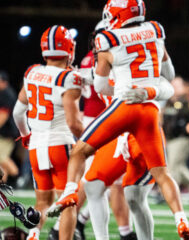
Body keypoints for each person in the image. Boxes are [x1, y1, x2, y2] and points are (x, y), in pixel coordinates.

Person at [46, 0, 189, 239]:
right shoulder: (151, 36)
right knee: (94, 185)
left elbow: (164, 88)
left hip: (133, 124)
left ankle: (77, 199)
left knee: (133, 195)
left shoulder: (112, 47)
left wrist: (144, 92)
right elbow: (167, 80)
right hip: (122, 132)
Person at [12, 25, 84, 240]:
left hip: (36, 146)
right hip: (60, 144)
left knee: (42, 202)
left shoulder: (32, 72)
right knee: (69, 203)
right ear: (68, 49)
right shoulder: (69, 78)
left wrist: (26, 134)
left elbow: (18, 112)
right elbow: (73, 123)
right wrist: (92, 140)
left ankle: (33, 235)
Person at [0, 71, 19, 183]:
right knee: (2, 160)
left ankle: (19, 176)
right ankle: (2, 184)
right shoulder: (5, 93)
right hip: (7, 132)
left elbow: (3, 115)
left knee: (1, 157)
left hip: (7, 133)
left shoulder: (6, 94)